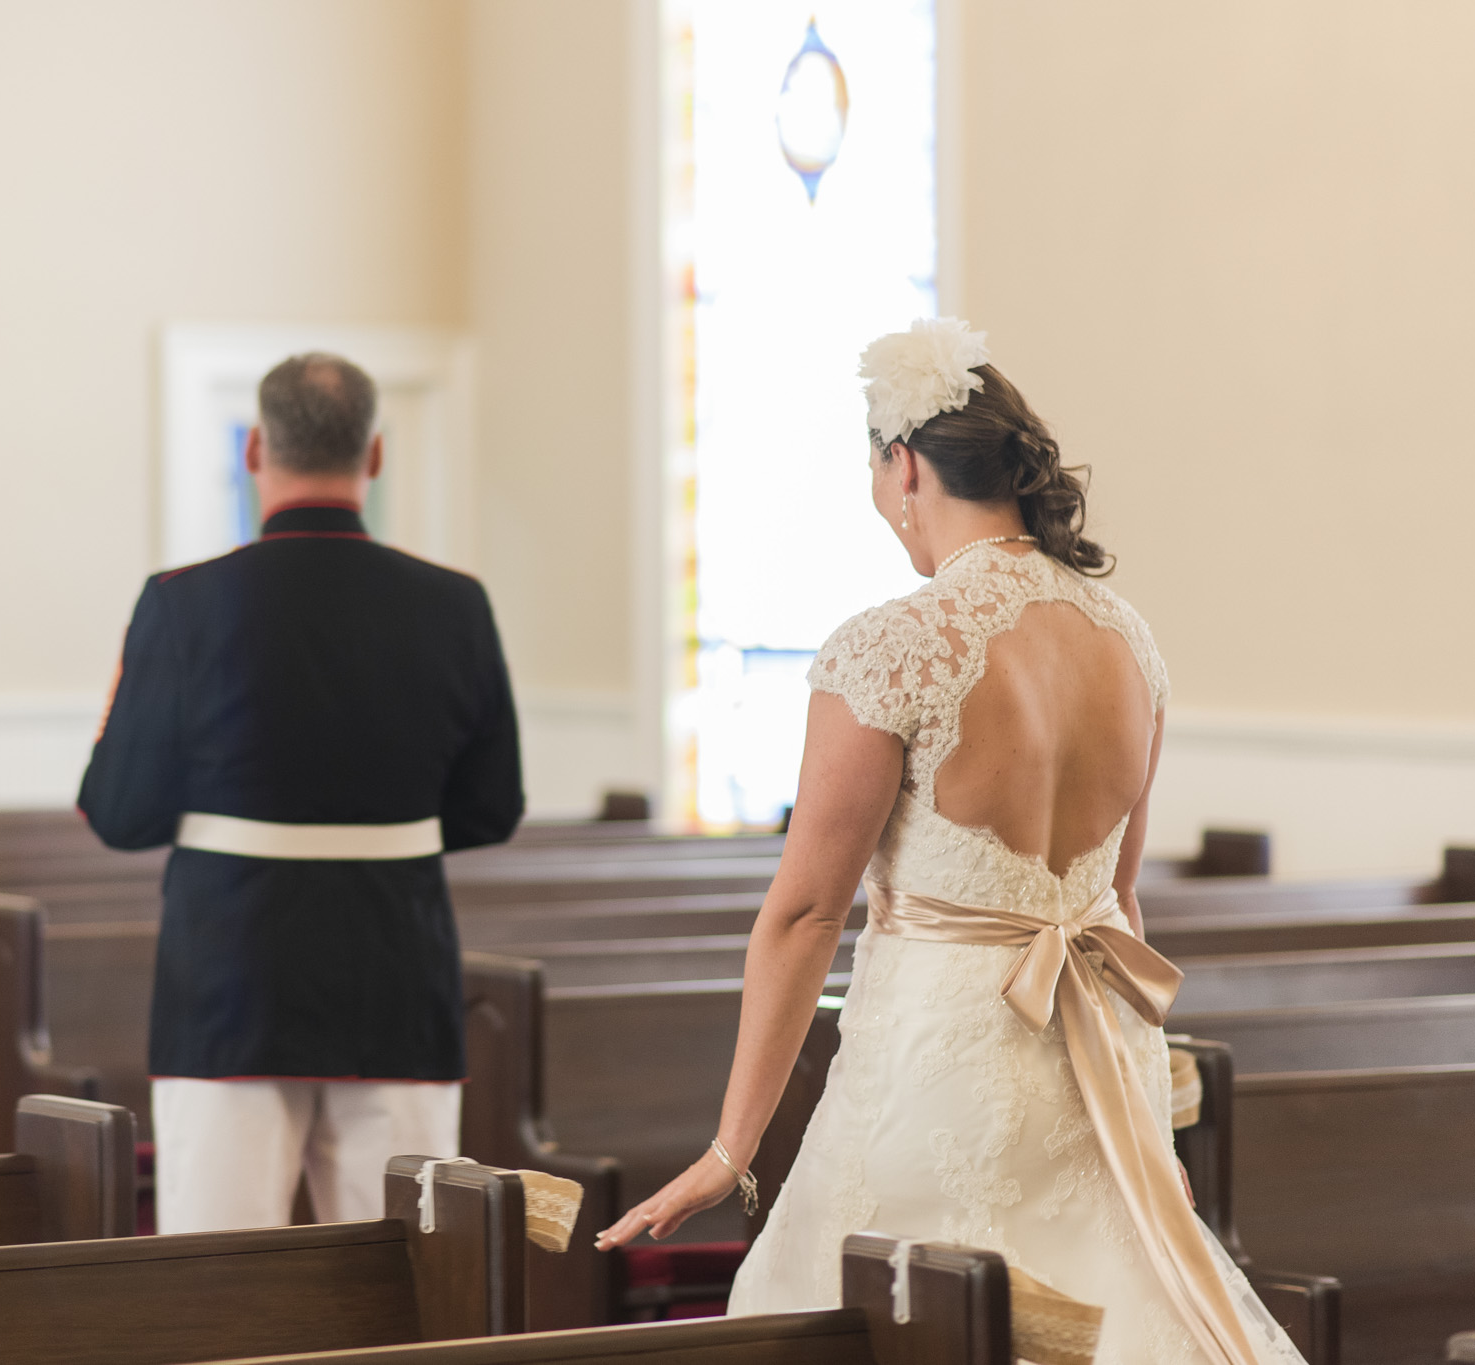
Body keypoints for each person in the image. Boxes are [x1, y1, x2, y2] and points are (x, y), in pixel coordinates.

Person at [597, 319, 1303, 1365]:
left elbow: (802, 914)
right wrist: (1142, 1118)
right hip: (1095, 1057)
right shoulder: (1127, 641)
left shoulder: (892, 644)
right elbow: (1117, 902)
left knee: (904, 1320)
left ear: (903, 467)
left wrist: (727, 1148)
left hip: (938, 1063)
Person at [79, 351, 524, 1233]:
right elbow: (490, 805)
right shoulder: (454, 604)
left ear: (255, 450)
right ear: (375, 455)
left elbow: (120, 811)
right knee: (407, 1286)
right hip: (395, 977)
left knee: (219, 1284)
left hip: (229, 986)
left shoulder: (181, 603)